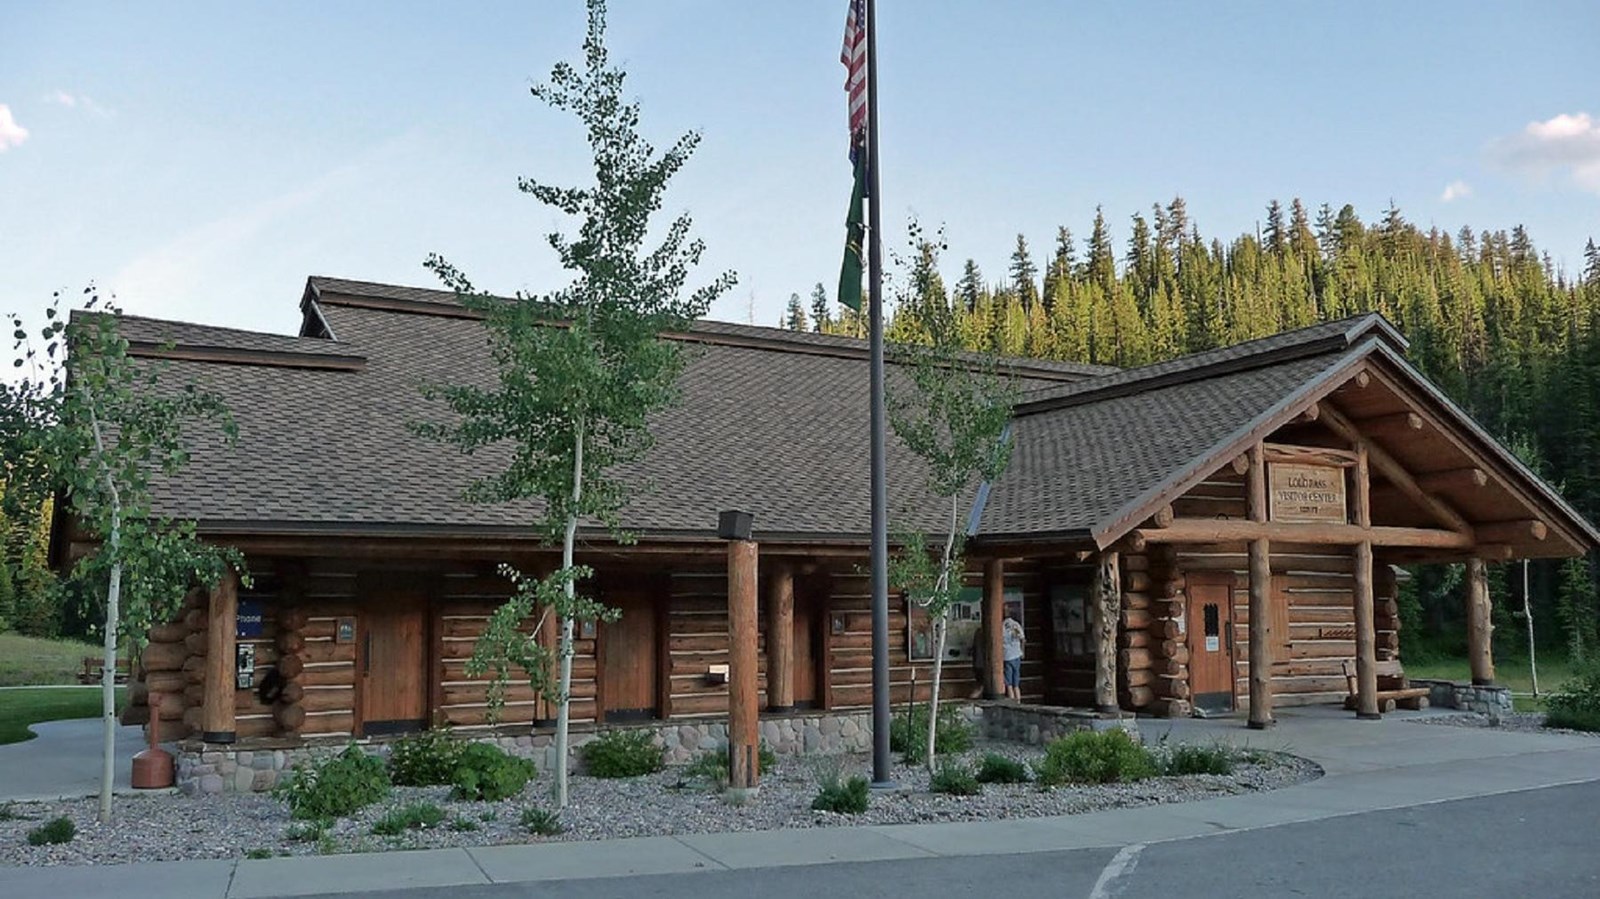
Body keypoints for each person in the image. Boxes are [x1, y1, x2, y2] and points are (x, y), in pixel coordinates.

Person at [1002, 613, 1024, 701]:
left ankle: (1012, 703)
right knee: (1016, 684)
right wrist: (1022, 652)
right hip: (1017, 655)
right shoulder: (1016, 624)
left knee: (1009, 684)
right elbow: (1022, 639)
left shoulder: (1001, 626)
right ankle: (1018, 702)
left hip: (1007, 656)